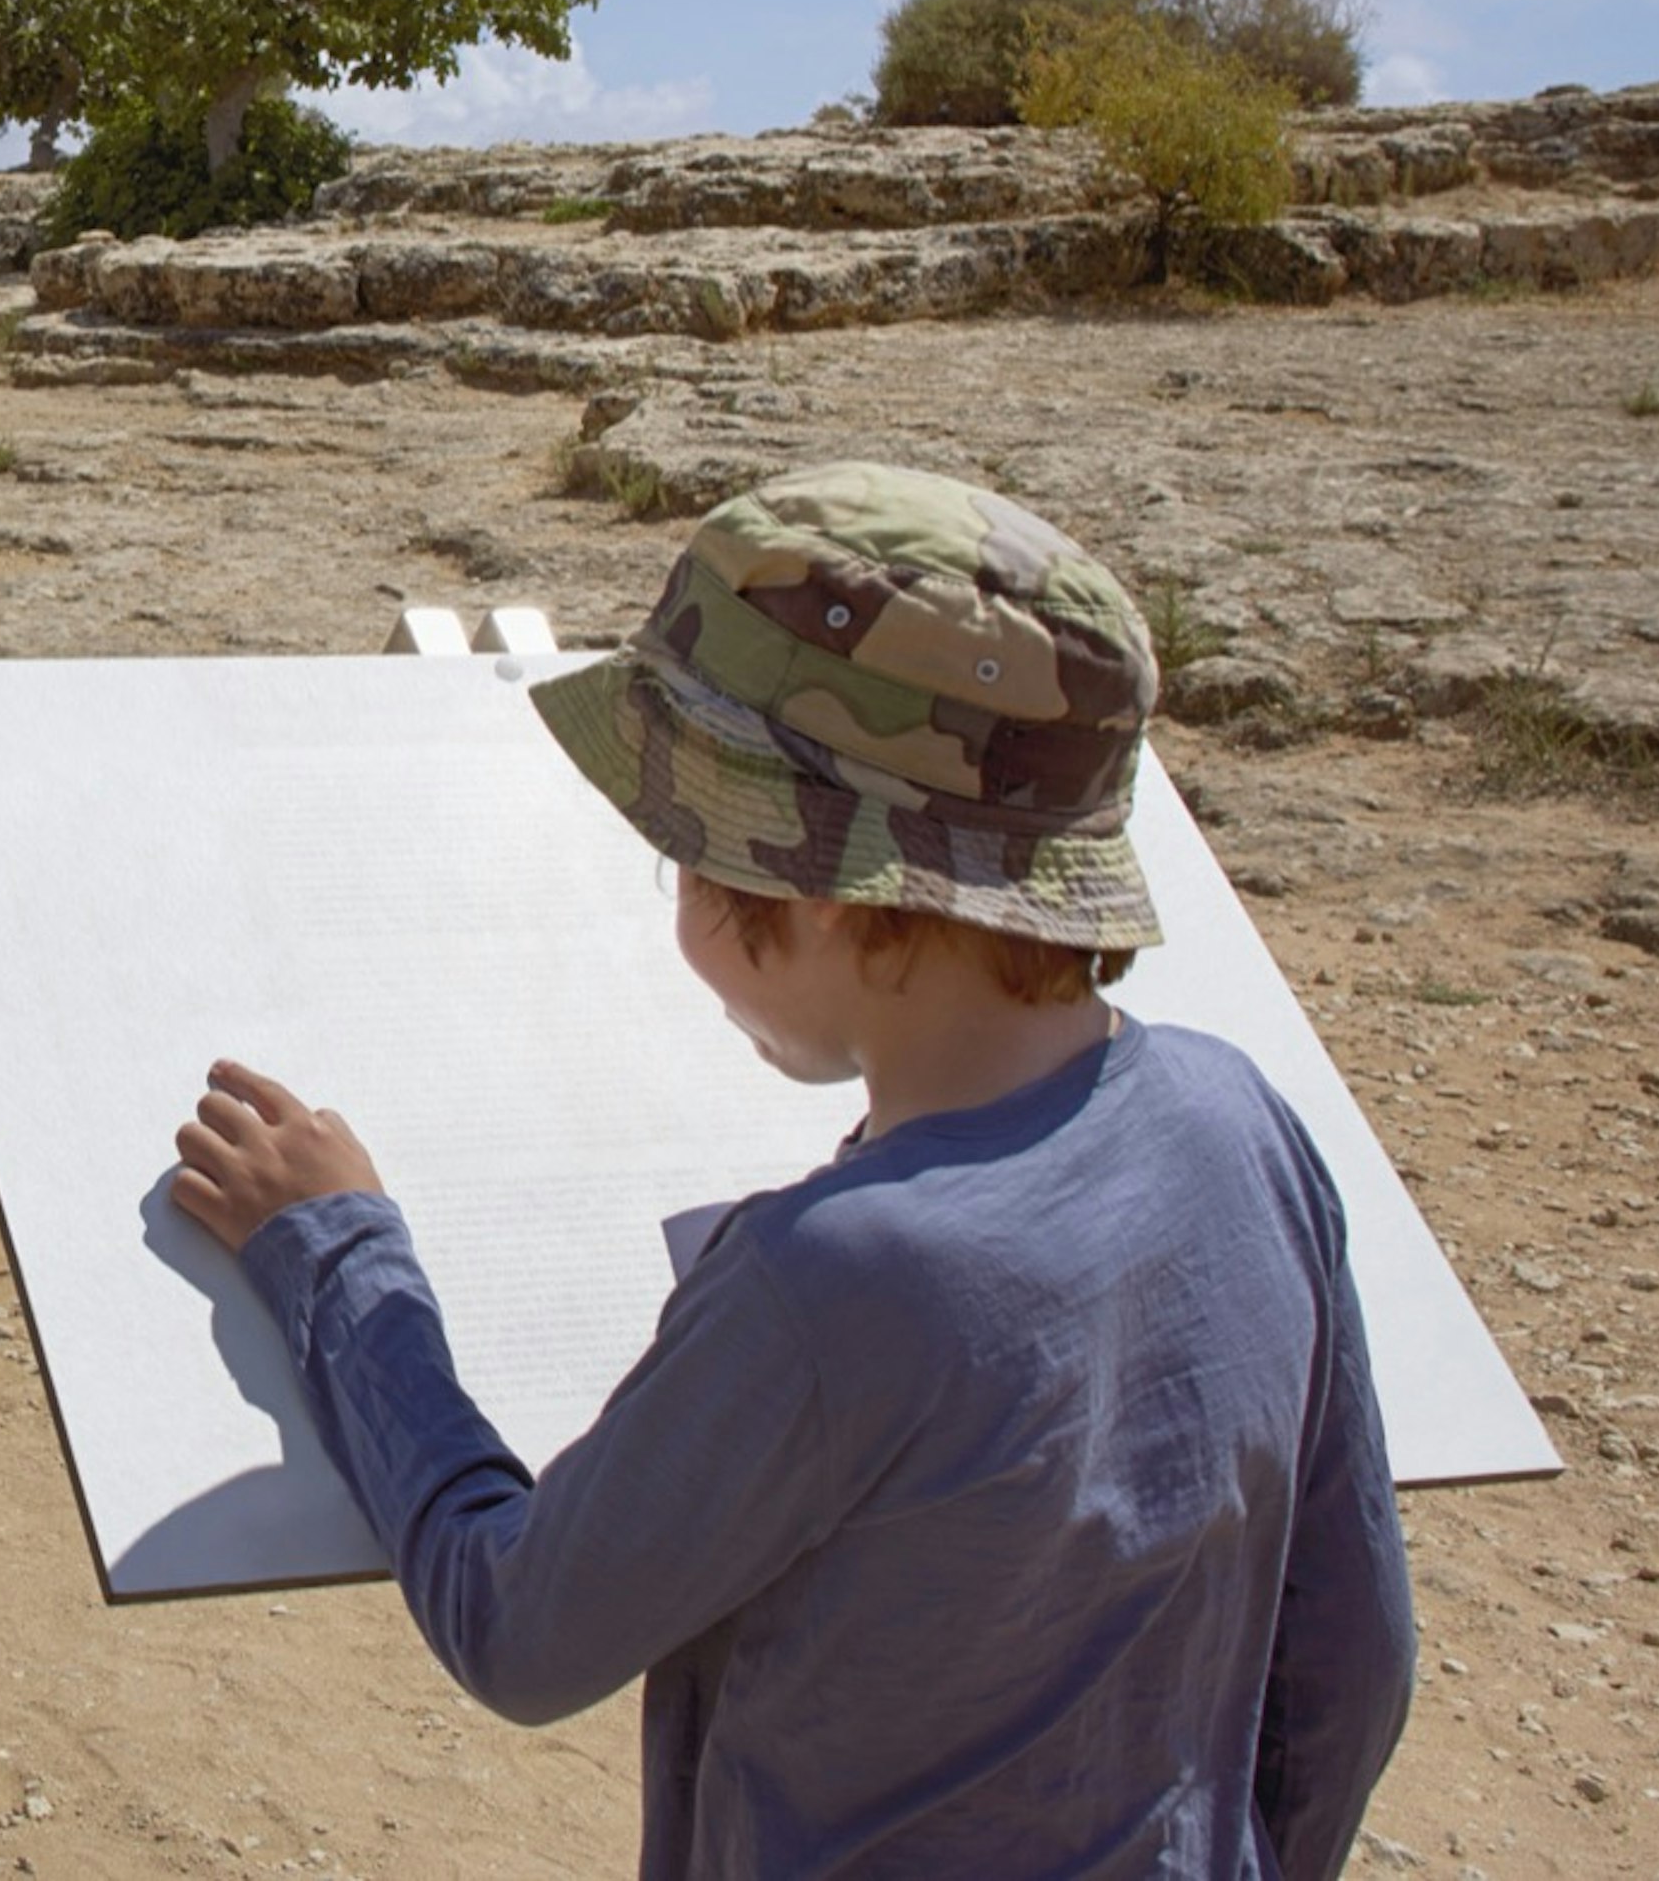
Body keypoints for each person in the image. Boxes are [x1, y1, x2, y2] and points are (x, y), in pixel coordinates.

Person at [169, 461, 1416, 1879]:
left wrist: (341, 1253)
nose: (684, 906)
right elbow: (1357, 1653)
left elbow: (519, 1625)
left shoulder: (832, 1278)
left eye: (690, 859)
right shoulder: (1241, 1117)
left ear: (819, 890)